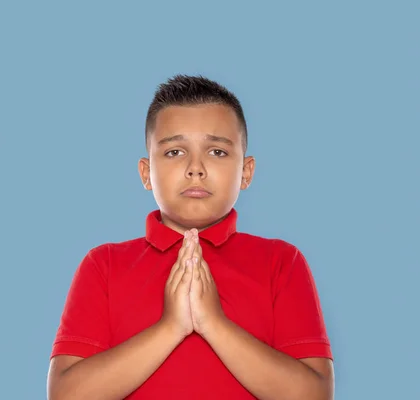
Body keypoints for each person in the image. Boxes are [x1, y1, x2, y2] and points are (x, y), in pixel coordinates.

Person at [46, 75, 334, 400]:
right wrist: (171, 327)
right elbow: (66, 395)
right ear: (146, 173)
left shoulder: (281, 262)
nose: (195, 168)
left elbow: (314, 394)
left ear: (246, 172)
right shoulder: (104, 265)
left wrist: (213, 322)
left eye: (217, 152)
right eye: (174, 152)